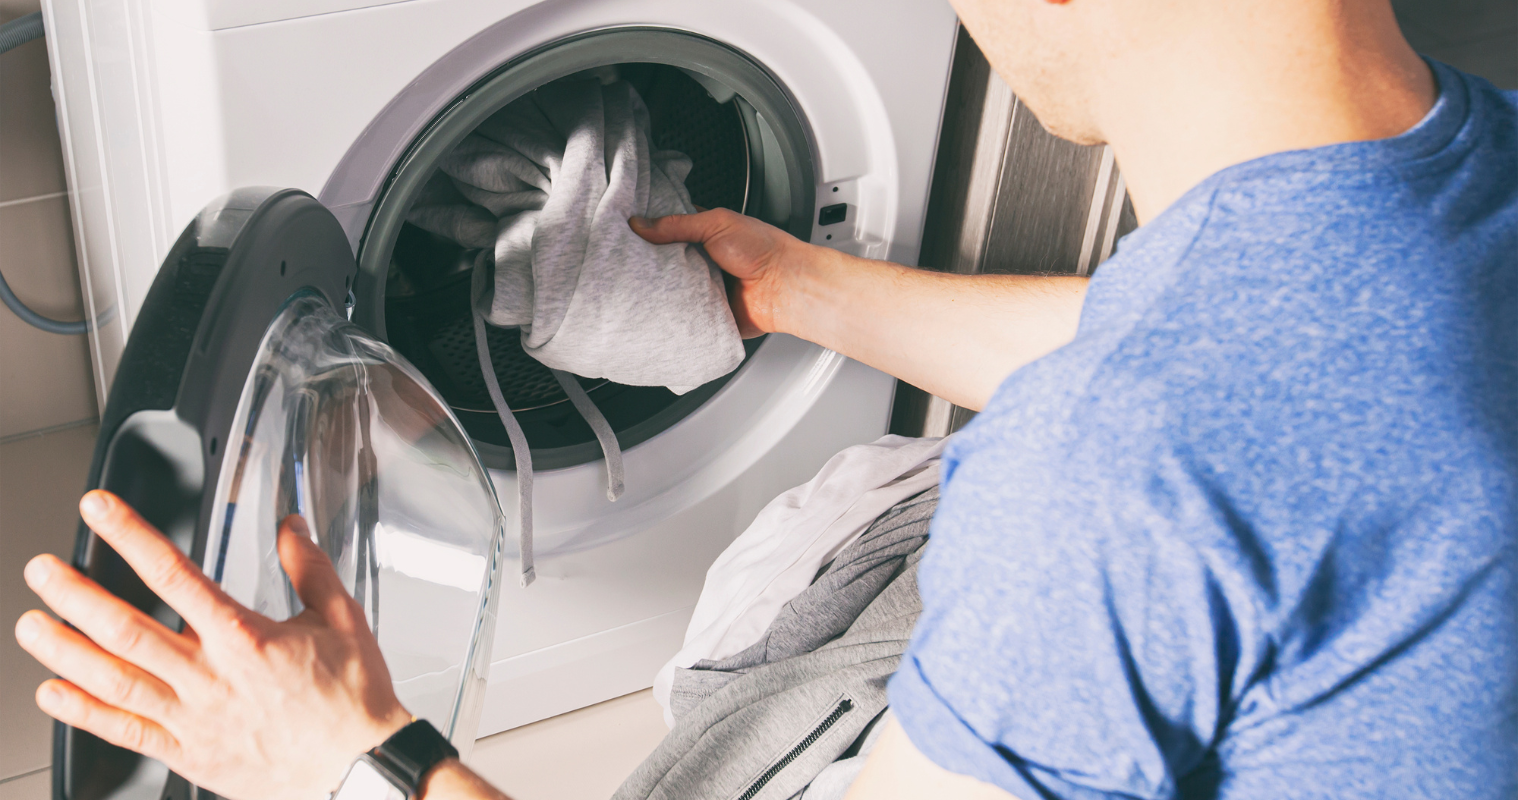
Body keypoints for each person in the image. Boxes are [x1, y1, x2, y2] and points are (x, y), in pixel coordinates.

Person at [15, 0, 1515, 797]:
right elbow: (1220, 352)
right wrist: (804, 291)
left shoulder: (1118, 477)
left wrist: (347, 757)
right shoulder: (1469, 162)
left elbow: (1162, 423)